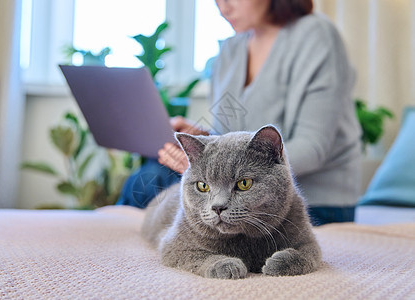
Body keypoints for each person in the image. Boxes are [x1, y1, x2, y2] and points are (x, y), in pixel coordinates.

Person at [117, 0, 362, 226]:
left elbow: (313, 149)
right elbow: (231, 137)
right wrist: (202, 135)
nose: (223, 7)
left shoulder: (316, 36)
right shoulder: (230, 50)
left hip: (313, 202)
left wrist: (221, 169)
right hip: (233, 192)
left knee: (156, 183)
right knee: (148, 175)